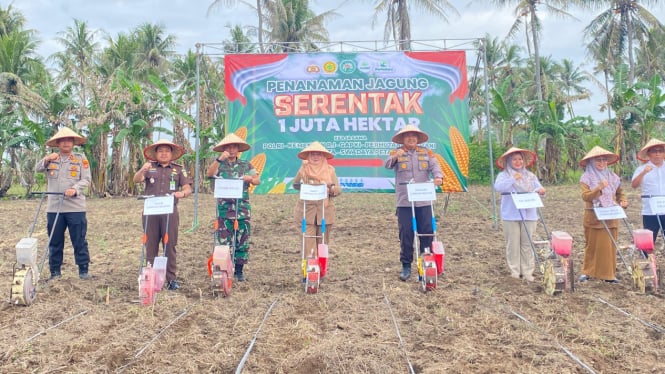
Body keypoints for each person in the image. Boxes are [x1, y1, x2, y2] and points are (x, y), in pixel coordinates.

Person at [384, 125, 443, 281]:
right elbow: (387, 164)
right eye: (407, 136)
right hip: (405, 201)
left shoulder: (426, 152)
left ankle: (427, 260)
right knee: (406, 233)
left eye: (413, 136)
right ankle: (406, 265)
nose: (411, 138)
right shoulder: (396, 152)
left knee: (427, 230)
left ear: (417, 138)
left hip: (424, 199)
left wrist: (438, 177)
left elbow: (435, 166)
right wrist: (396, 156)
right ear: (403, 139)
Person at [133, 139, 192, 290]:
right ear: (156, 154)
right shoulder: (149, 167)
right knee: (150, 244)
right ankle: (150, 278)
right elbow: (136, 180)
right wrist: (142, 170)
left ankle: (171, 279)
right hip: (151, 212)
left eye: (167, 151)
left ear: (172, 154)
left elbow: (187, 188)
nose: (164, 153)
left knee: (169, 245)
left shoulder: (179, 170)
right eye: (161, 151)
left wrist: (182, 193)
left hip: (169, 212)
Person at [36, 127, 92, 280]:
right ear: (58, 143)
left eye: (69, 140)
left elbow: (86, 179)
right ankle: (55, 272)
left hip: (75, 207)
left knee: (79, 239)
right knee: (55, 240)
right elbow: (37, 169)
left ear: (73, 143)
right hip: (54, 207)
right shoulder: (51, 159)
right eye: (63, 140)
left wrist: (74, 189)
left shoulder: (80, 159)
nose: (66, 143)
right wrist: (46, 159)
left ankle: (83, 270)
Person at [206, 133, 260, 282]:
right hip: (224, 210)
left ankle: (239, 271)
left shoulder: (245, 164)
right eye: (228, 147)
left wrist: (250, 179)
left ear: (238, 149)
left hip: (242, 208)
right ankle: (223, 269)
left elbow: (257, 180)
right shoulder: (219, 164)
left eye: (234, 146)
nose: (231, 149)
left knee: (242, 239)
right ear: (224, 149)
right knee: (223, 241)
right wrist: (219, 159)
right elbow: (209, 174)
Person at [493, 147, 546, 282]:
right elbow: (498, 187)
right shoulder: (504, 175)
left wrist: (540, 190)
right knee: (513, 244)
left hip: (529, 214)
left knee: (527, 243)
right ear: (509, 161)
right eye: (514, 159)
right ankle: (515, 271)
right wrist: (512, 179)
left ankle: (528, 272)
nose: (518, 162)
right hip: (511, 214)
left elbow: (538, 187)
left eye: (520, 159)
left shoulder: (530, 176)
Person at [578, 146, 627, 284]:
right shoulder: (586, 178)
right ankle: (587, 272)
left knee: (609, 246)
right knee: (592, 245)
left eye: (604, 160)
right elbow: (586, 196)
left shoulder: (613, 177)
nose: (601, 163)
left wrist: (623, 200)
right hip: (594, 217)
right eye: (598, 160)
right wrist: (598, 188)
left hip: (611, 216)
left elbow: (619, 193)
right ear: (592, 162)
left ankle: (608, 274)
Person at [291, 141, 342, 266]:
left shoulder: (330, 170)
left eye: (318, 154)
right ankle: (309, 272)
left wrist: (330, 188)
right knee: (308, 244)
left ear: (323, 156)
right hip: (305, 212)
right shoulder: (304, 169)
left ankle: (321, 269)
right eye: (312, 154)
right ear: (308, 156)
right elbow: (295, 185)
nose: (315, 157)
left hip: (325, 213)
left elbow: (338, 190)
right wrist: (302, 171)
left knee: (322, 243)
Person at [631, 138, 665, 253]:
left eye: (660, 151)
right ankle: (648, 266)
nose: (658, 154)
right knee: (648, 241)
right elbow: (634, 185)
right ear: (649, 154)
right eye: (654, 151)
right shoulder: (641, 169)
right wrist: (644, 173)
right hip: (650, 211)